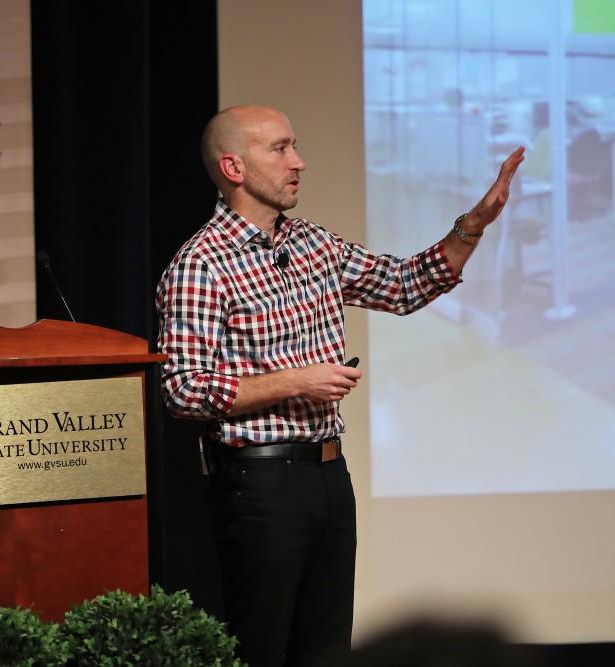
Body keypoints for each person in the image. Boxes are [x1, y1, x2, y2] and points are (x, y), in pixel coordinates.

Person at [155, 105, 523, 666]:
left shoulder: (312, 244)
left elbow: (403, 285)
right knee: (261, 648)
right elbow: (182, 390)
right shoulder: (200, 265)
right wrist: (295, 380)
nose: (298, 162)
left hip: (328, 474)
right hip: (257, 484)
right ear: (233, 166)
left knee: (325, 650)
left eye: (294, 146)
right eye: (279, 149)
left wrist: (472, 224)